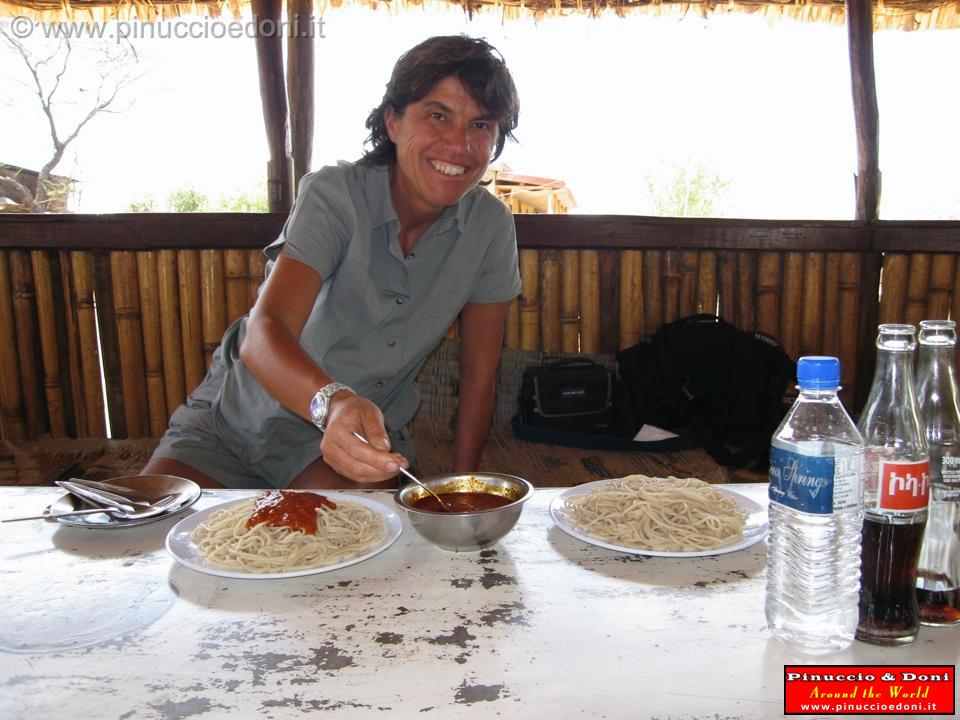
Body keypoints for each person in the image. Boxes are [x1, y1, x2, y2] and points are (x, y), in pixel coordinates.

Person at [141, 35, 521, 490]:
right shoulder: (334, 195)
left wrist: (465, 488)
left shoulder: (490, 226)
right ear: (393, 122)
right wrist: (335, 402)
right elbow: (263, 333)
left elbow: (479, 374)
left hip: (357, 444)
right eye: (438, 115)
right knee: (141, 537)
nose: (459, 144)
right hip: (230, 421)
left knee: (367, 544)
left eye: (481, 126)